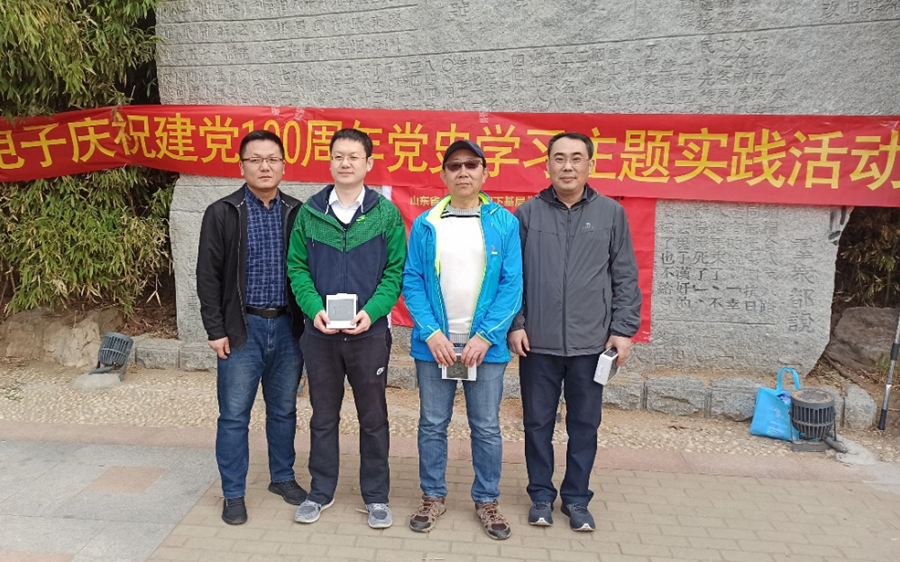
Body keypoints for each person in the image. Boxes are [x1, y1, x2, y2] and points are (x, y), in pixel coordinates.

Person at [507, 132, 642, 532]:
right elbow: (512, 279)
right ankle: (541, 496)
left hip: (591, 344)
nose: (567, 166)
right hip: (538, 344)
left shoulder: (611, 214)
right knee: (537, 424)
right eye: (559, 158)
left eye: (576, 158)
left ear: (590, 165)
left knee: (584, 425)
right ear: (547, 165)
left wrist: (622, 330)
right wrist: (516, 324)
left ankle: (577, 499)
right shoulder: (527, 214)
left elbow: (625, 276)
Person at [402, 140, 522, 540]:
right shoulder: (426, 224)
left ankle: (487, 499)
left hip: (484, 349)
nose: (463, 172)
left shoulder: (504, 223)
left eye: (472, 164)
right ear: (443, 174)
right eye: (454, 166)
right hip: (434, 346)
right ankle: (432, 496)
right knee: (432, 424)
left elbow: (512, 285)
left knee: (485, 426)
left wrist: (486, 336)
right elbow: (412, 280)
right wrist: (431, 332)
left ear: (485, 172)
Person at [287, 128, 407, 529]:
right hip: (320, 335)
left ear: (368, 163)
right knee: (323, 416)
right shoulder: (310, 213)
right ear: (330, 161)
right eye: (338, 156)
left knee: (373, 417)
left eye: (354, 157)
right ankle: (320, 491)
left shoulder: (385, 214)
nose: (345, 163)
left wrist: (372, 312)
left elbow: (394, 272)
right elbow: (297, 268)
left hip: (368, 335)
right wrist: (313, 309)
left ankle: (376, 496)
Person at [196, 130, 307, 525]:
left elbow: (309, 272)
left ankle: (282, 477)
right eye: (256, 159)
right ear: (241, 165)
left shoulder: (297, 212)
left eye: (272, 159)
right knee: (234, 416)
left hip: (288, 329)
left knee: (284, 410)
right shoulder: (222, 212)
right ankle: (233, 493)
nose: (264, 166)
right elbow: (207, 276)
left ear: (283, 165)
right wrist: (215, 330)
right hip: (241, 330)